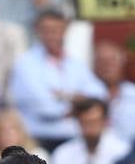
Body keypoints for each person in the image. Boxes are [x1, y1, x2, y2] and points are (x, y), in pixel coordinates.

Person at [7, 9, 106, 150]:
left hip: (74, 138)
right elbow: (45, 107)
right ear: (37, 31)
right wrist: (78, 103)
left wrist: (63, 97)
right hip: (40, 139)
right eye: (47, 30)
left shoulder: (75, 63)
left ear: (65, 30)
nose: (52, 35)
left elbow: (99, 94)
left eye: (57, 29)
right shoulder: (25, 63)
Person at [93, 41, 135, 145]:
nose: (107, 66)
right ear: (94, 65)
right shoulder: (85, 95)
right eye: (102, 61)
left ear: (122, 63)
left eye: (112, 61)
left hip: (133, 152)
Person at [50, 97, 130, 164]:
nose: (90, 127)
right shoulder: (62, 154)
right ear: (78, 122)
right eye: (85, 122)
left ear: (106, 121)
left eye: (94, 121)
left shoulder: (123, 152)